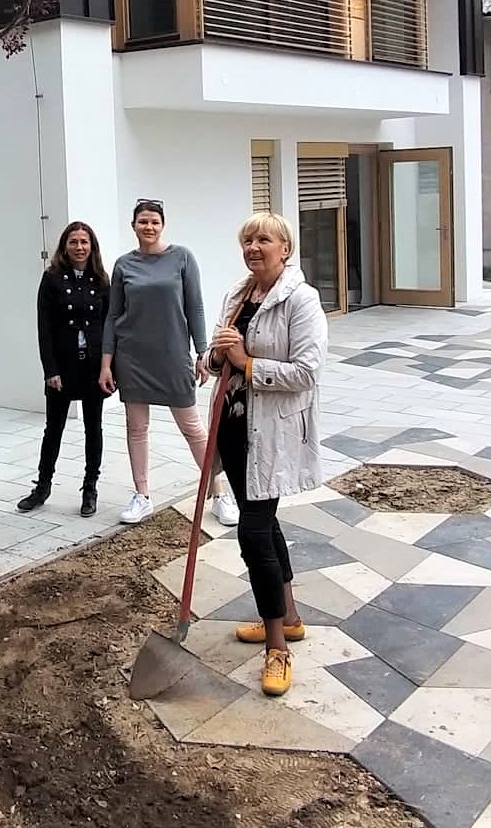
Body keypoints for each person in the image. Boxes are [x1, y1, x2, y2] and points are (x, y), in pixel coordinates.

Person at [207, 211, 326, 698]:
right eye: (247, 240)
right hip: (235, 431)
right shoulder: (238, 295)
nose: (253, 247)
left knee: (254, 533)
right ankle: (289, 616)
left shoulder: (301, 299)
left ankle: (277, 647)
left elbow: (307, 371)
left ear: (285, 248)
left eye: (263, 239)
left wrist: (246, 362)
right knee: (267, 527)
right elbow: (216, 357)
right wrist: (217, 356)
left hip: (273, 436)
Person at [100, 199, 238, 526]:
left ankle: (219, 493)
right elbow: (113, 315)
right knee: (136, 428)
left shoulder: (182, 258)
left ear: (162, 225)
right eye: (143, 222)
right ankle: (142, 495)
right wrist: (106, 363)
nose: (148, 227)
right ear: (133, 226)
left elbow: (195, 307)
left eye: (154, 222)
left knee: (192, 428)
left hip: (173, 355)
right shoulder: (123, 265)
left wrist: (202, 353)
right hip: (132, 357)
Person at [18, 221, 111, 518]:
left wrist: (109, 367)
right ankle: (43, 485)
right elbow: (44, 328)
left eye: (84, 242)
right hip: (63, 364)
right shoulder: (52, 279)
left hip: (93, 365)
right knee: (53, 429)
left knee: (93, 427)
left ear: (92, 247)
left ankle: (90, 488)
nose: (79, 247)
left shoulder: (101, 280)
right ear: (65, 246)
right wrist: (50, 370)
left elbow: (110, 326)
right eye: (74, 242)